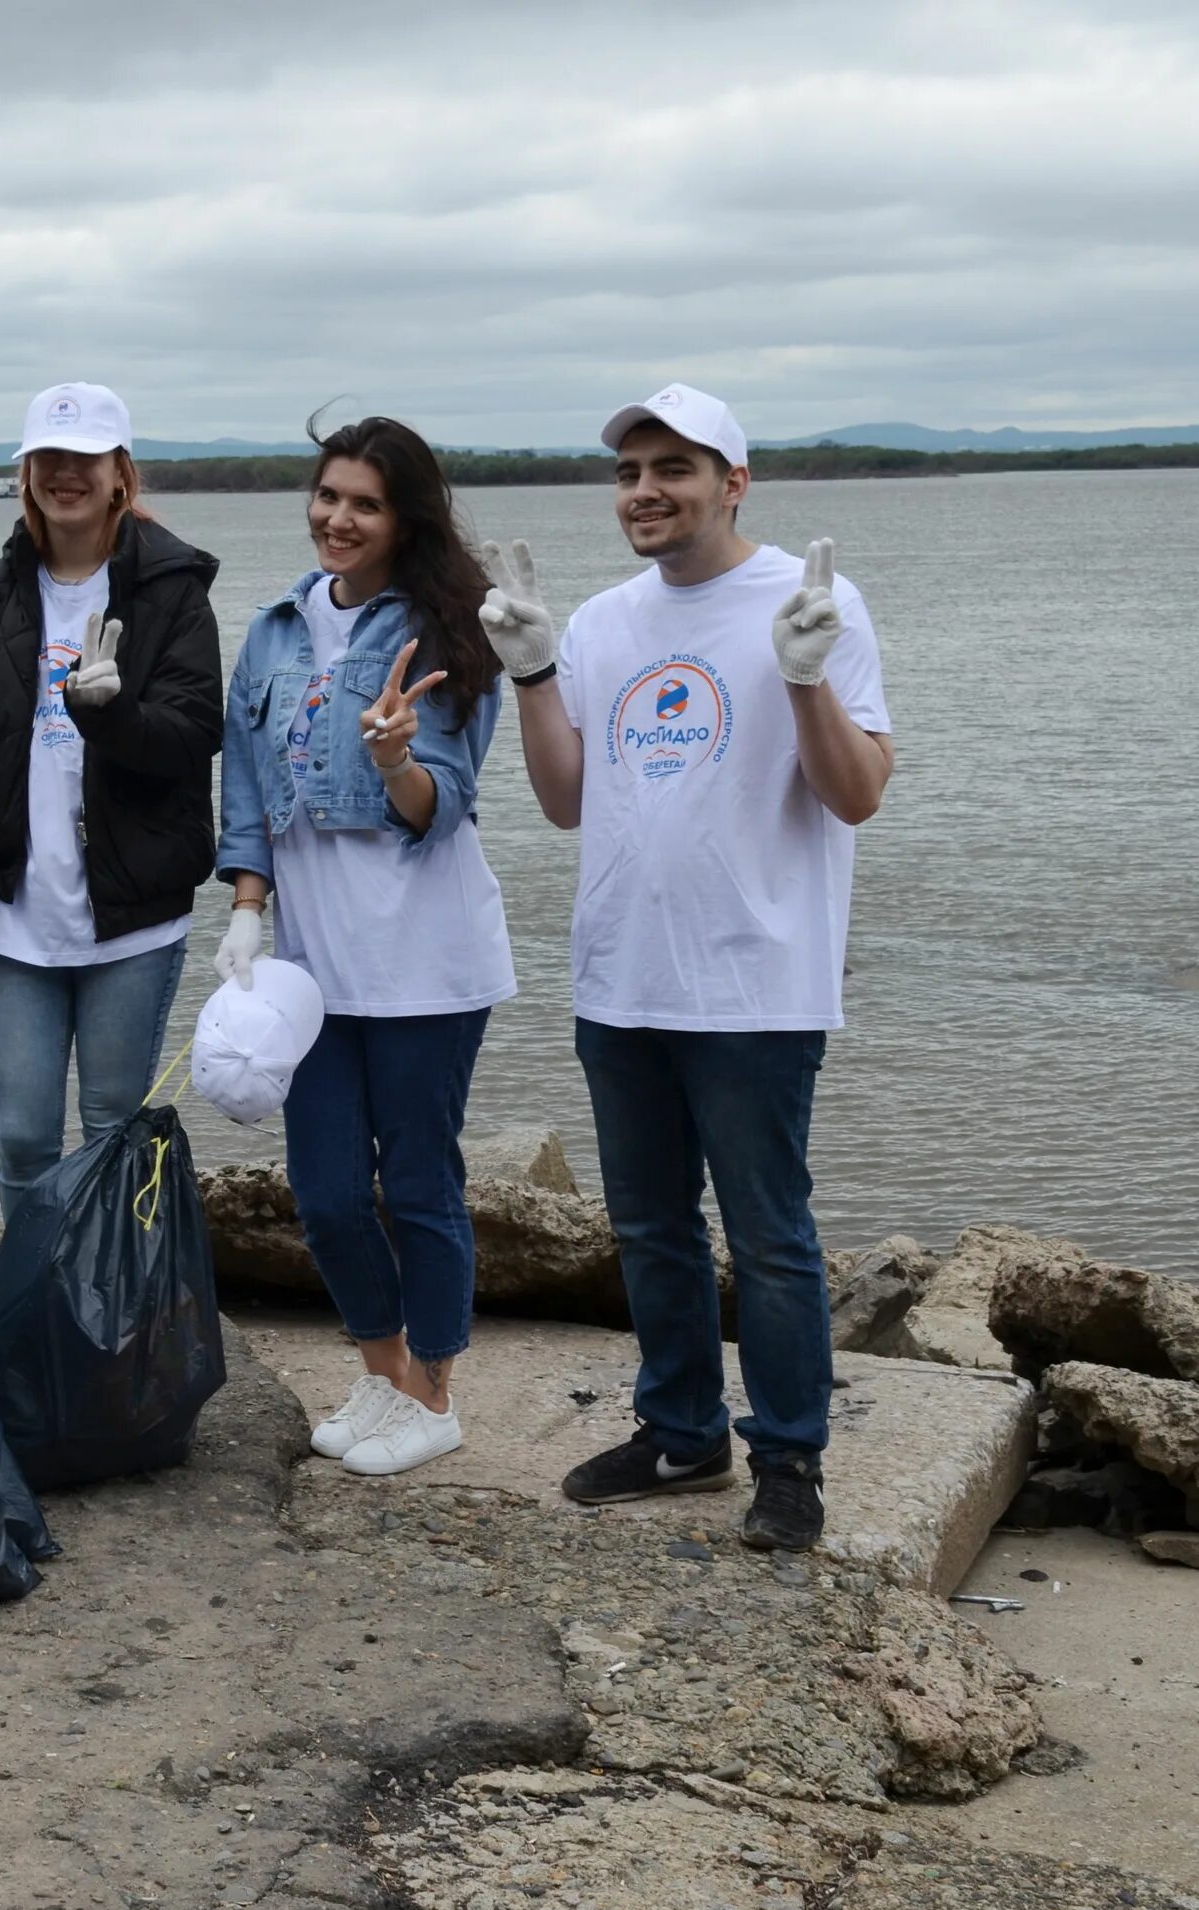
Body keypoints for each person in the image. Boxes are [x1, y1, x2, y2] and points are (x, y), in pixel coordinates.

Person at [486, 382, 895, 1551]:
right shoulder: (611, 621)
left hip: (756, 982)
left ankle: (791, 1459)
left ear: (734, 481)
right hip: (621, 974)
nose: (646, 491)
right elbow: (569, 801)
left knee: (770, 1235)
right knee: (651, 1225)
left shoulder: (813, 601)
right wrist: (532, 673)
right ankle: (680, 1431)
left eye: (674, 468)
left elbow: (856, 793)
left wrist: (805, 679)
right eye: (629, 472)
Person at [215, 415, 515, 1477]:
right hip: (312, 963)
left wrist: (394, 758)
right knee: (327, 1189)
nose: (338, 518)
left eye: (366, 504)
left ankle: (433, 1392)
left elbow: (444, 805)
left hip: (428, 959)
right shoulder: (275, 628)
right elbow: (247, 788)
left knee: (419, 1183)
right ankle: (384, 1373)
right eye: (328, 495)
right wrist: (247, 908)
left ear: (405, 520)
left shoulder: (442, 633)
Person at [0, 383, 223, 1220]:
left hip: (133, 913)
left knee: (110, 1129)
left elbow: (194, 734)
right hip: (22, 914)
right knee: (22, 1135)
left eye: (84, 458)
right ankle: (33, 1317)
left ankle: (109, 1320)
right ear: (26, 474)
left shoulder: (173, 590)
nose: (65, 474)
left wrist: (113, 716)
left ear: (119, 472)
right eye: (48, 459)